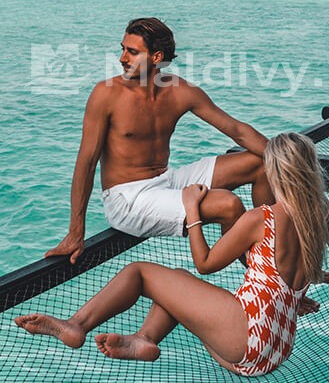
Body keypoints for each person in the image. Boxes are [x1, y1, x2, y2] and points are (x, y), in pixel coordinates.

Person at [17, 132, 329, 378]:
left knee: (141, 273)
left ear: (275, 174)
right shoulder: (320, 214)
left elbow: (206, 264)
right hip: (277, 348)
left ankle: (77, 325)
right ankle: (144, 338)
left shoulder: (261, 219)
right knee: (178, 283)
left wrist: (191, 209)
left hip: (247, 341)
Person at [45, 17, 273, 265]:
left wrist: (287, 159)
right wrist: (76, 231)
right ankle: (263, 272)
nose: (122, 58)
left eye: (132, 52)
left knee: (262, 163)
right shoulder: (106, 94)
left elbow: (237, 130)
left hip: (166, 180)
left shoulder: (178, 91)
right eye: (122, 49)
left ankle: (271, 253)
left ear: (156, 57)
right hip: (128, 198)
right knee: (228, 204)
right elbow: (86, 163)